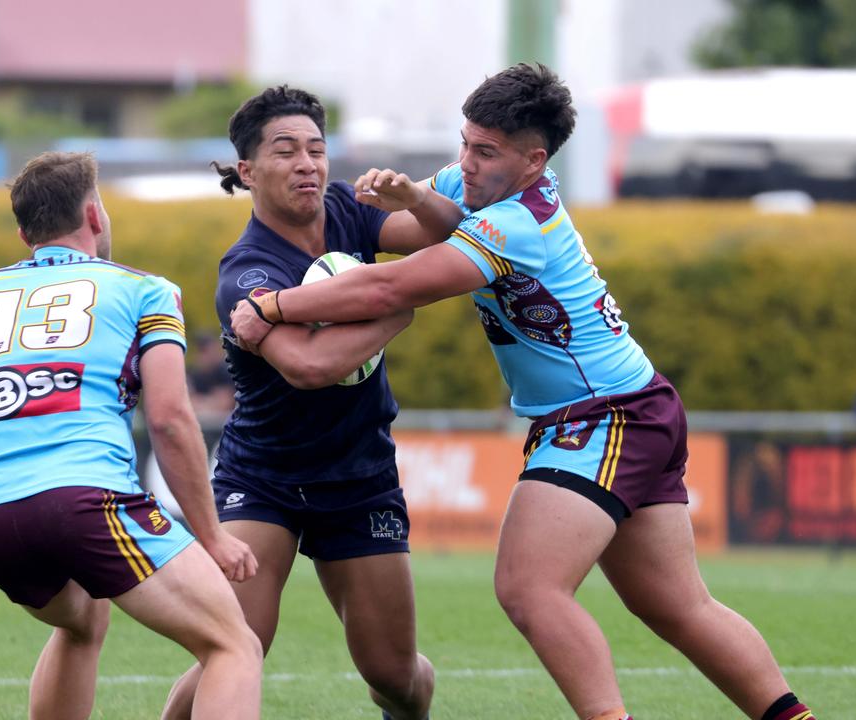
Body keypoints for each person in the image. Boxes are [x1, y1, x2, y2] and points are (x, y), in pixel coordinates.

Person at [231, 64, 817, 720]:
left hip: (603, 416)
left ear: (534, 161)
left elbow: (391, 287)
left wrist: (275, 305)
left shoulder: (517, 224)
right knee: (678, 605)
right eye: (464, 143)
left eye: (485, 152)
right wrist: (416, 196)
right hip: (633, 406)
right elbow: (435, 216)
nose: (465, 163)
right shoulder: (480, 189)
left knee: (529, 588)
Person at [0, 151, 263, 720]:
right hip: (85, 500)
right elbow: (170, 419)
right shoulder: (145, 291)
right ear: (95, 215)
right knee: (233, 645)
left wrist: (7, 371)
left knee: (84, 618)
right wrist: (212, 536)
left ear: (25, 233)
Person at [163, 86, 462, 720]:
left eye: (317, 149)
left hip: (360, 474)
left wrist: (414, 197)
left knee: (396, 676)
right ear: (247, 171)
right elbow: (310, 367)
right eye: (286, 151)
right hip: (264, 478)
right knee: (234, 648)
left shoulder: (349, 209)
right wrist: (397, 307)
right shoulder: (246, 272)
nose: (307, 163)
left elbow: (443, 235)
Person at [186, 331, 234, 420]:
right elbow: (189, 402)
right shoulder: (194, 372)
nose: (204, 356)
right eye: (201, 351)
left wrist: (202, 402)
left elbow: (225, 403)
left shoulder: (227, 369)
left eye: (206, 350)